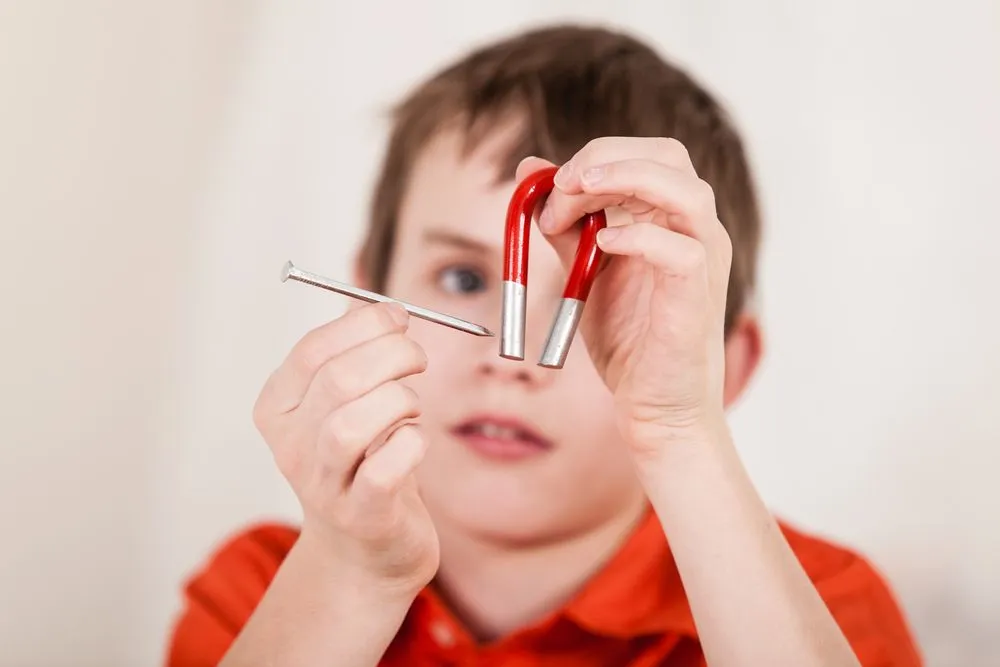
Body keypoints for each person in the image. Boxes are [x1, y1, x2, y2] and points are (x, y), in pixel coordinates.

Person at [165, 24, 922, 666]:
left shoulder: (820, 605)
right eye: (461, 277)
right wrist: (351, 574)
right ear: (371, 292)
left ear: (723, 368)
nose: (509, 356)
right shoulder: (266, 591)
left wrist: (681, 431)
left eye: (593, 291)